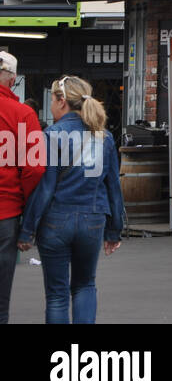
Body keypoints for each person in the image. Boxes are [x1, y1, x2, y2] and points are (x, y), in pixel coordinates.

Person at [16, 75, 125, 324]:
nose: (51, 106)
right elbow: (113, 188)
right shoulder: (104, 137)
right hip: (93, 219)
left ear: (62, 101)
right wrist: (114, 230)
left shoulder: (51, 135)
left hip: (56, 220)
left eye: (52, 100)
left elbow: (45, 188)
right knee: (86, 285)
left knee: (56, 295)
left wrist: (27, 230)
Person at [0, 51, 45, 324]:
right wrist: (26, 204)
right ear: (13, 79)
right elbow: (36, 167)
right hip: (6, 214)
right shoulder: (24, 114)